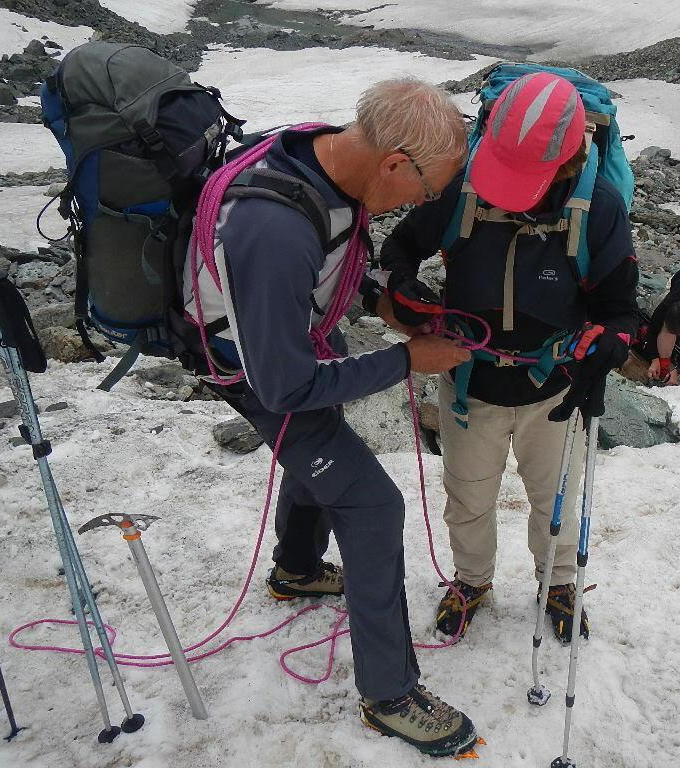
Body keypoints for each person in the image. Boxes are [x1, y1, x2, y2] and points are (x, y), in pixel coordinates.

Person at [182, 78, 479, 757]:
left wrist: (385, 298)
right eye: (425, 191)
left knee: (327, 445)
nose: (420, 204)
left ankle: (296, 567)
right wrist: (408, 361)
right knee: (373, 505)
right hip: (254, 372)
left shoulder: (328, 155)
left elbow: (335, 254)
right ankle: (390, 693)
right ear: (395, 163)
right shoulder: (275, 230)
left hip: (295, 340)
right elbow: (285, 388)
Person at [379, 72, 638, 644]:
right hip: (471, 381)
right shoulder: (461, 190)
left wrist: (612, 343)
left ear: (567, 164)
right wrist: (402, 286)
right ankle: (473, 581)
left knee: (555, 498)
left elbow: (620, 310)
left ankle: (559, 583)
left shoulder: (597, 208)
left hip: (555, 389)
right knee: (468, 497)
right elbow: (399, 248)